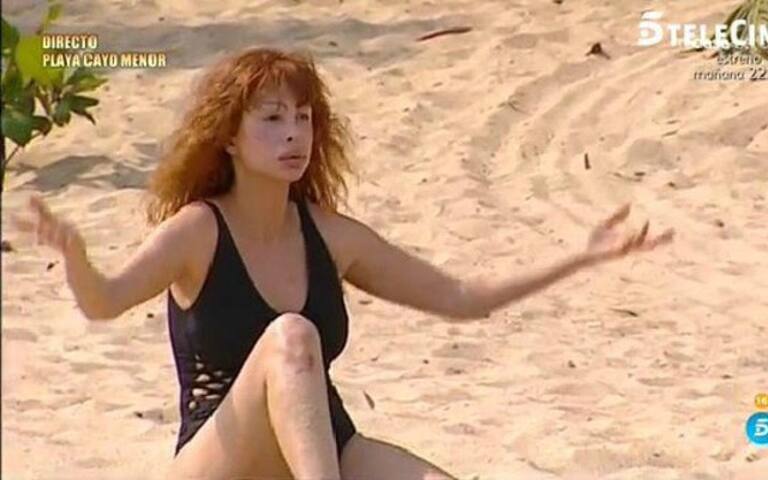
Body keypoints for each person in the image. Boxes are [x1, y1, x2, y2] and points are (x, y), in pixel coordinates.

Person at [11, 47, 674, 480]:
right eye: (272, 119)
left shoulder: (328, 235)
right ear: (229, 138)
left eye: (303, 118)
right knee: (291, 336)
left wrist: (580, 256)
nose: (293, 134)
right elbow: (103, 301)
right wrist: (75, 257)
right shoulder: (199, 230)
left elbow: (462, 297)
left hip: (325, 445)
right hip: (222, 456)